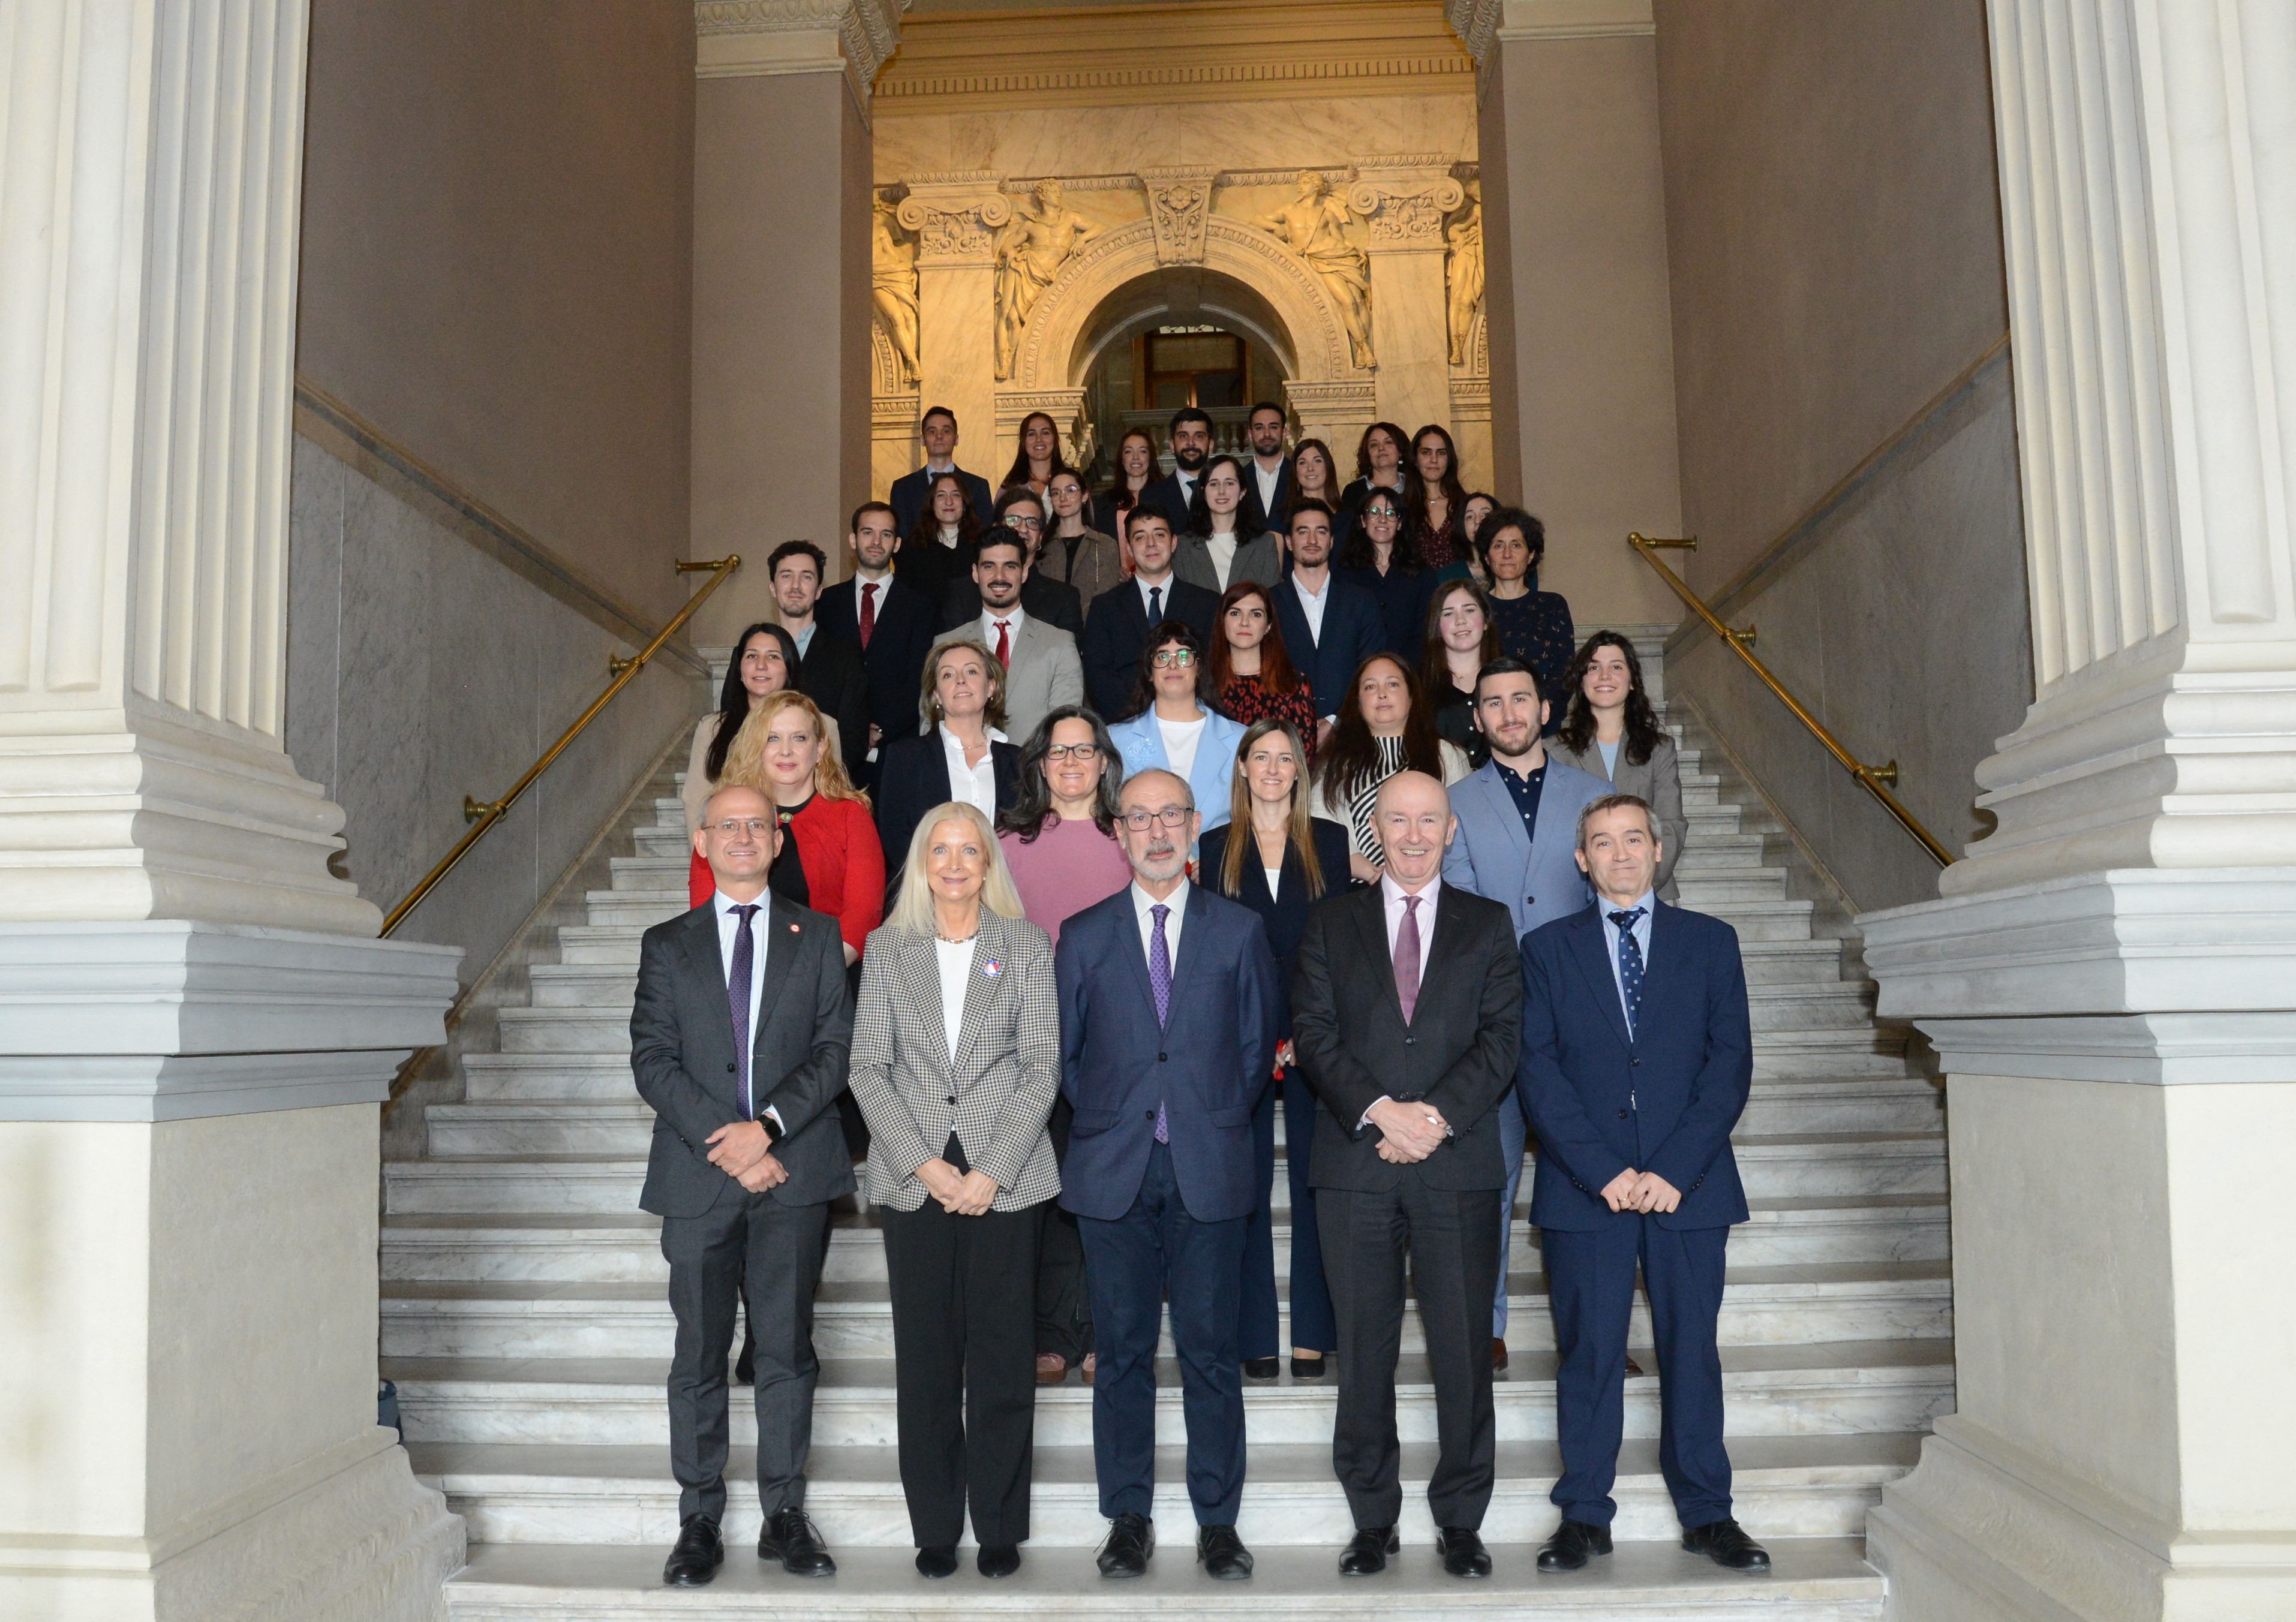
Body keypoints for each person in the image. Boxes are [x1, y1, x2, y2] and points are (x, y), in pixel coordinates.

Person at [1518, 794, 1769, 1576]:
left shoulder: (1711, 942)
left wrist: (1671, 1171)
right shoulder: (1545, 949)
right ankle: (1583, 1514)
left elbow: (1729, 1065)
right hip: (1584, 1189)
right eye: (1603, 842)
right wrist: (1602, 1170)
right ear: (1581, 859)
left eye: (1634, 839)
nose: (1621, 854)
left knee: (1691, 1350)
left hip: (1688, 1188)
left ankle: (1708, 1512)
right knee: (1589, 1353)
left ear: (1659, 851)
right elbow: (1538, 1070)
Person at [1290, 771, 1524, 1581]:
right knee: (1363, 1348)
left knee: (1462, 1349)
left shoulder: (1489, 924)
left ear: (1451, 831)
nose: (1415, 834)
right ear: (1377, 831)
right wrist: (1383, 1112)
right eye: (1399, 820)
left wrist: (1432, 1119)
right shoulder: (1331, 922)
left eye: (1430, 820)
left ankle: (1461, 1519)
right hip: (1356, 1163)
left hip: (1457, 1163)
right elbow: (1314, 1034)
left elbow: (1502, 1038)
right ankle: (1372, 1517)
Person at [1054, 768, 1281, 1581]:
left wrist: (1199, 1116)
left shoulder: (1240, 930)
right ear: (1118, 832)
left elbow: (1255, 1052)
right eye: (1140, 817)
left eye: (1171, 815)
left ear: (1194, 826)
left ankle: (1218, 1521)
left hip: (1208, 1165)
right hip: (1112, 1167)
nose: (1156, 831)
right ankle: (1128, 1518)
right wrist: (1124, 1115)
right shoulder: (1083, 935)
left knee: (1210, 1350)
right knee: (1121, 1351)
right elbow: (1067, 1057)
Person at [633, 784, 855, 1587]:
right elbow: (652, 1059)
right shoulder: (667, 943)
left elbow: (835, 1049)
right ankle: (699, 1517)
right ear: (703, 841)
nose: (742, 836)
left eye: (756, 825)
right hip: (698, 1178)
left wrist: (769, 1126)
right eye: (726, 825)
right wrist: (732, 1145)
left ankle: (784, 1512)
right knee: (699, 1352)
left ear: (776, 840)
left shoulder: (818, 935)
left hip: (793, 1171)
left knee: (787, 1349)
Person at [847, 803, 1061, 1581]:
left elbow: (1041, 1064)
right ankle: (936, 1526)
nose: (955, 863)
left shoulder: (1025, 946)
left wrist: (991, 1169)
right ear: (922, 862)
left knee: (1003, 1355)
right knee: (927, 1358)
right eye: (940, 849)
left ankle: (999, 1524)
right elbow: (867, 1067)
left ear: (987, 863)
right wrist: (924, 1163)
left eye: (969, 849)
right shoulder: (886, 947)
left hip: (1008, 1175)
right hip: (917, 1180)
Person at [1439, 657, 1610, 1369]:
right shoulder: (1456, 800)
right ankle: (1485, 1324)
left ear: (1544, 709)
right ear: (1477, 718)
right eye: (1493, 703)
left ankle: (1598, 1331)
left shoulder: (1595, 794)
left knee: (1593, 1172)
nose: (1508, 713)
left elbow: (1611, 897)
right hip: (1495, 1017)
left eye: (1520, 699)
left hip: (1581, 1017)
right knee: (1494, 1176)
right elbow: (1459, 905)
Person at [1196, 720, 1353, 1384]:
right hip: (1239, 1038)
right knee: (1246, 1187)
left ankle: (1314, 1336)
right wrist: (1261, 1034)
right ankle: (1253, 1334)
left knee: (1318, 1187)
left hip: (1317, 1035)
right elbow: (1212, 953)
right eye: (1259, 756)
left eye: (1283, 758)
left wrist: (1299, 1033)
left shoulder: (1330, 841)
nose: (1270, 768)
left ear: (1298, 770)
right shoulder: (1213, 845)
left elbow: (1337, 945)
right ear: (1241, 767)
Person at [996, 707, 1135, 1388]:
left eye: (1085, 750)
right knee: (1043, 1192)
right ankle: (1052, 1331)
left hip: (1115, 1042)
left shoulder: (1129, 836)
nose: (1072, 762)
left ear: (1104, 761)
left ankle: (1107, 1330)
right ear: (1040, 764)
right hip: (1027, 1045)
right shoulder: (1007, 842)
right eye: (1059, 751)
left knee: (1109, 1193)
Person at [692, 692, 885, 964]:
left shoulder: (851, 814)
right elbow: (704, 909)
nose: (786, 750)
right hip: (739, 970)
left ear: (820, 749)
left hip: (830, 969)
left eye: (799, 738)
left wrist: (812, 977)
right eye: (773, 738)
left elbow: (863, 915)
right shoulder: (725, 814)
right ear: (756, 747)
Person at [1310, 654, 1471, 881]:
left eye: (1393, 684)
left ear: (1412, 696)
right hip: (1356, 888)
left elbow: (1461, 828)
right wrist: (1371, 874)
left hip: (1435, 885)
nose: (1382, 694)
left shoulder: (1447, 755)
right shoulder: (1333, 762)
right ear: (1358, 702)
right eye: (1370, 687)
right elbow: (1322, 825)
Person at [683, 624, 840, 857]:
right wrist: (706, 860)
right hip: (736, 854)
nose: (761, 665)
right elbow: (696, 801)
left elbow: (832, 794)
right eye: (752, 656)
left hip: (808, 851)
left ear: (789, 668)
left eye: (773, 657)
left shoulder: (823, 725)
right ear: (740, 670)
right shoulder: (712, 729)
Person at [874, 638, 1020, 889]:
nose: (960, 680)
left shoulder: (1019, 761)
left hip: (1003, 895)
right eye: (948, 675)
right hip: (926, 896)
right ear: (937, 695)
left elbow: (1026, 839)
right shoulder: (905, 757)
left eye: (971, 672)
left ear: (991, 687)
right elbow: (895, 837)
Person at [1552, 631, 1687, 899]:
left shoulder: (1660, 749)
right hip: (1579, 898)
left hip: (1651, 893)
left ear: (1632, 680)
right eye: (1594, 668)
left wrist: (1637, 887)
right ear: (1582, 681)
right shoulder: (1553, 751)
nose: (1605, 676)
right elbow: (1554, 838)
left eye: (1616, 667)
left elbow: (1671, 826)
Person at [818, 501, 938, 771]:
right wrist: (853, 729)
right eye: (867, 532)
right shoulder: (826, 603)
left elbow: (921, 677)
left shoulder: (920, 606)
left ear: (897, 544)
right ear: (853, 540)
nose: (876, 542)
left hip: (897, 750)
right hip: (835, 749)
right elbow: (822, 674)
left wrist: (882, 729)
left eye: (886, 534)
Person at [943, 528, 1083, 742]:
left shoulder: (1059, 644)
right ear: (975, 573)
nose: (999, 577)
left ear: (1024, 572)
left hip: (1034, 762)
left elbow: (1066, 729)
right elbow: (931, 724)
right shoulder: (947, 645)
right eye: (989, 566)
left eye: (1010, 566)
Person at [1105, 621, 1245, 835]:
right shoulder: (1115, 739)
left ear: (1199, 669)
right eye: (1162, 657)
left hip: (1218, 854)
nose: (1173, 665)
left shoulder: (1240, 739)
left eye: (1184, 656)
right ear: (1150, 673)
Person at [1080, 507, 1218, 719]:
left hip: (1192, 721)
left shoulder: (1207, 603)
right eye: (1140, 537)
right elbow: (1098, 676)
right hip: (1125, 723)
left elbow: (1214, 669)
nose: (1151, 543)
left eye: (1159, 535)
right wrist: (1139, 720)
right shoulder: (1105, 607)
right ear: (1128, 548)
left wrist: (1182, 715)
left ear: (1174, 543)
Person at [1270, 499, 1385, 733]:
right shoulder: (1267, 603)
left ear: (1331, 541)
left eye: (1321, 532)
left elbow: (1372, 667)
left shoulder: (1361, 601)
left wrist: (1336, 720)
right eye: (1303, 532)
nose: (1312, 540)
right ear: (1289, 542)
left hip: (1351, 731)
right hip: (1284, 733)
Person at [766, 541, 870, 784]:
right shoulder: (749, 655)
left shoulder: (846, 658)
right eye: (786, 576)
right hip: (759, 787)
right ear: (772, 588)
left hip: (822, 787)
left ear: (819, 590)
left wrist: (815, 781)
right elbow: (734, 725)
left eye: (806, 577)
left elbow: (853, 739)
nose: (795, 585)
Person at [1479, 507, 1574, 733]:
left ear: (1531, 555)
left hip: (1543, 725)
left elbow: (1565, 671)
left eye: (1516, 545)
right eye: (1498, 546)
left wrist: (1536, 714)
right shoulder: (1475, 607)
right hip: (1488, 726)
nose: (1507, 554)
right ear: (1486, 557)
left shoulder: (1552, 605)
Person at [939, 489, 1083, 636]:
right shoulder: (962, 593)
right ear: (996, 527)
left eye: (1032, 522)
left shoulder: (1063, 598)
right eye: (1013, 520)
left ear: (1040, 537)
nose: (1023, 529)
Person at [1209, 581, 1320, 760]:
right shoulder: (1203, 684)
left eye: (1256, 614)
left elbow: (1304, 759)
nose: (1244, 622)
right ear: (1222, 621)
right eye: (1235, 613)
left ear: (1268, 625)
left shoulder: (1294, 685)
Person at [1338, 487, 1437, 664]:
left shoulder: (1422, 573)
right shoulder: (1345, 573)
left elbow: (1428, 630)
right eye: (1374, 512)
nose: (1383, 519)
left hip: (1412, 670)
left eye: (1391, 513)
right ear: (1363, 520)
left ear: (1400, 524)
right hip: (1359, 669)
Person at [1420, 578, 1500, 769]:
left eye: (1469, 611)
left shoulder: (1509, 679)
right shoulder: (1418, 686)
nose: (1460, 621)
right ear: (1437, 626)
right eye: (1448, 614)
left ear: (1486, 621)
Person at [1174, 453, 1282, 595]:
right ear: (1203, 492)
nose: (1222, 491)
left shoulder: (1265, 544)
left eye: (1229, 483)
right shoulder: (1182, 546)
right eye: (1214, 484)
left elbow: (1271, 600)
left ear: (1242, 491)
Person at [889, 404, 995, 536]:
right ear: (922, 440)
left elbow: (985, 536)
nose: (939, 436)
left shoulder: (978, 486)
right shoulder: (903, 488)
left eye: (946, 431)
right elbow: (901, 538)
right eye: (932, 432)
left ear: (956, 439)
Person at [900, 470, 988, 612]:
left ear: (965, 503)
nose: (949, 502)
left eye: (956, 495)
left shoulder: (984, 543)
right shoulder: (914, 545)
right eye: (941, 495)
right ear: (932, 503)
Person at [1039, 467, 1126, 607]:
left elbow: (1106, 596)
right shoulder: (1042, 546)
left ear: (1085, 496)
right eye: (1056, 493)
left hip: (1093, 619)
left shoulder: (1105, 545)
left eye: (1070, 490)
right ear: (1051, 501)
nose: (1063, 498)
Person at [1402, 424, 1470, 573]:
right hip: (1415, 585)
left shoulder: (1465, 506)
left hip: (1459, 585)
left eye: (1441, 453)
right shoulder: (1402, 506)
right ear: (1415, 460)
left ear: (1449, 459)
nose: (1434, 460)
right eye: (1426, 452)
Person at [1142, 406, 1213, 529]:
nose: (1191, 443)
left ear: (1211, 445)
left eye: (1199, 436)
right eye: (1183, 436)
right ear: (1172, 446)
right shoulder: (1151, 496)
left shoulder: (1228, 492)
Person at [1090, 426, 1159, 546]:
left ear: (1151, 457)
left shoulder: (1165, 496)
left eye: (1143, 451)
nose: (1136, 457)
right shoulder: (1105, 502)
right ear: (1122, 459)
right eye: (1128, 452)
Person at [1285, 436, 1353, 549]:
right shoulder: (1281, 518)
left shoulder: (1349, 519)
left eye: (1317, 461)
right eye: (1302, 463)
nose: (1310, 468)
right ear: (1295, 472)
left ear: (1328, 467)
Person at [999, 409, 1072, 505]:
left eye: (1045, 433)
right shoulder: (1010, 488)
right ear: (1023, 442)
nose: (1039, 439)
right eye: (1031, 434)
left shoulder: (1071, 483)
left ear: (1055, 439)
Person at [1240, 401, 1291, 534]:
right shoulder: (1238, 478)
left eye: (1273, 427)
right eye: (1259, 428)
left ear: (1284, 432)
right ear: (1250, 435)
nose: (1267, 434)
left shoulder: (1299, 475)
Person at [1339, 420, 1407, 513]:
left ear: (1400, 451)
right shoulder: (1353, 492)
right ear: (1368, 454)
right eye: (1374, 445)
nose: (1381, 448)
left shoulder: (1415, 488)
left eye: (1388, 442)